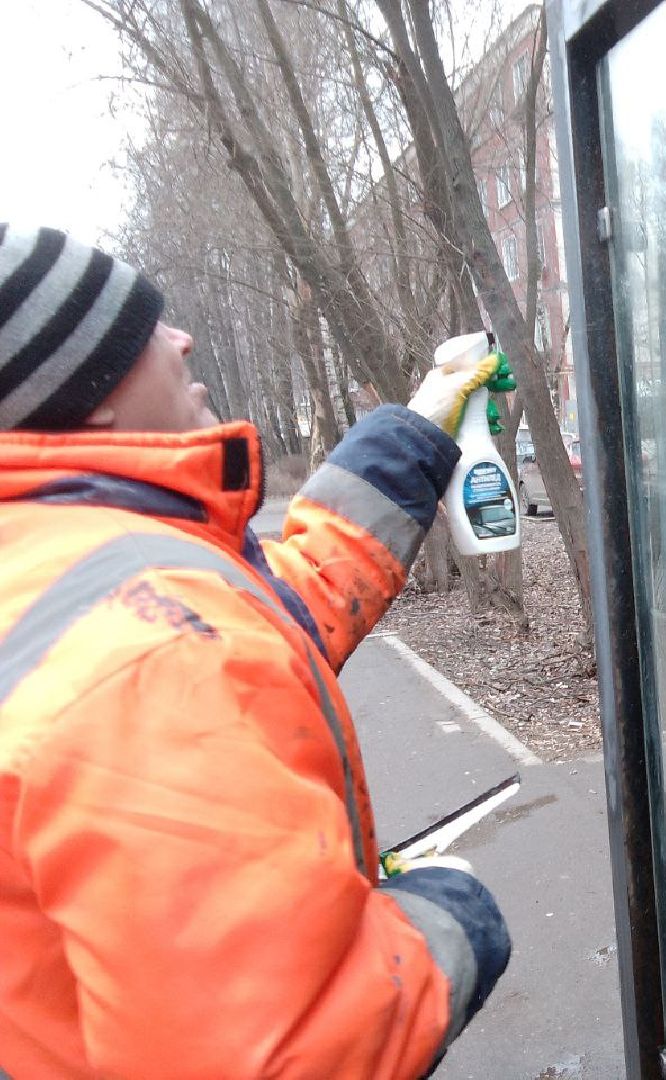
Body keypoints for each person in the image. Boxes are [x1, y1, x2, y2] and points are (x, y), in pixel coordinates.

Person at [0, 224, 511, 1077]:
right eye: (147, 326)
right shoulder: (148, 663)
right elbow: (277, 1054)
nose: (181, 337)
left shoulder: (66, 560)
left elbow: (272, 610)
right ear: (85, 393)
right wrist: (453, 907)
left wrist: (419, 428)